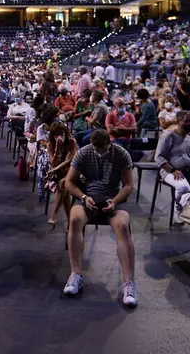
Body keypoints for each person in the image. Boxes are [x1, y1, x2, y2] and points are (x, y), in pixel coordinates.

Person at [63, 129, 137, 307]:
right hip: (89, 199)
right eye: (96, 148)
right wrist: (83, 197)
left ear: (109, 144)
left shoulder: (121, 154)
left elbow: (128, 185)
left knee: (122, 226)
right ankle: (75, 275)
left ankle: (129, 283)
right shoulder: (84, 152)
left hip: (114, 200)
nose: (99, 152)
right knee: (74, 220)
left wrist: (115, 200)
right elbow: (69, 182)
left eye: (102, 149)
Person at [154, 111, 190, 224]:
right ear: (179, 121)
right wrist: (173, 170)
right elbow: (158, 157)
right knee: (183, 187)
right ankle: (178, 209)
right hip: (170, 171)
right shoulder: (168, 137)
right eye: (187, 121)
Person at [46, 123, 77, 228]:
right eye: (56, 135)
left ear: (65, 134)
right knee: (65, 192)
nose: (59, 137)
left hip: (72, 170)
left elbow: (69, 160)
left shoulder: (71, 142)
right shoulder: (50, 144)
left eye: (62, 134)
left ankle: (54, 213)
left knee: (63, 183)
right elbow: (52, 162)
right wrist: (57, 150)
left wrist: (55, 169)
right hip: (57, 173)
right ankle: (70, 221)